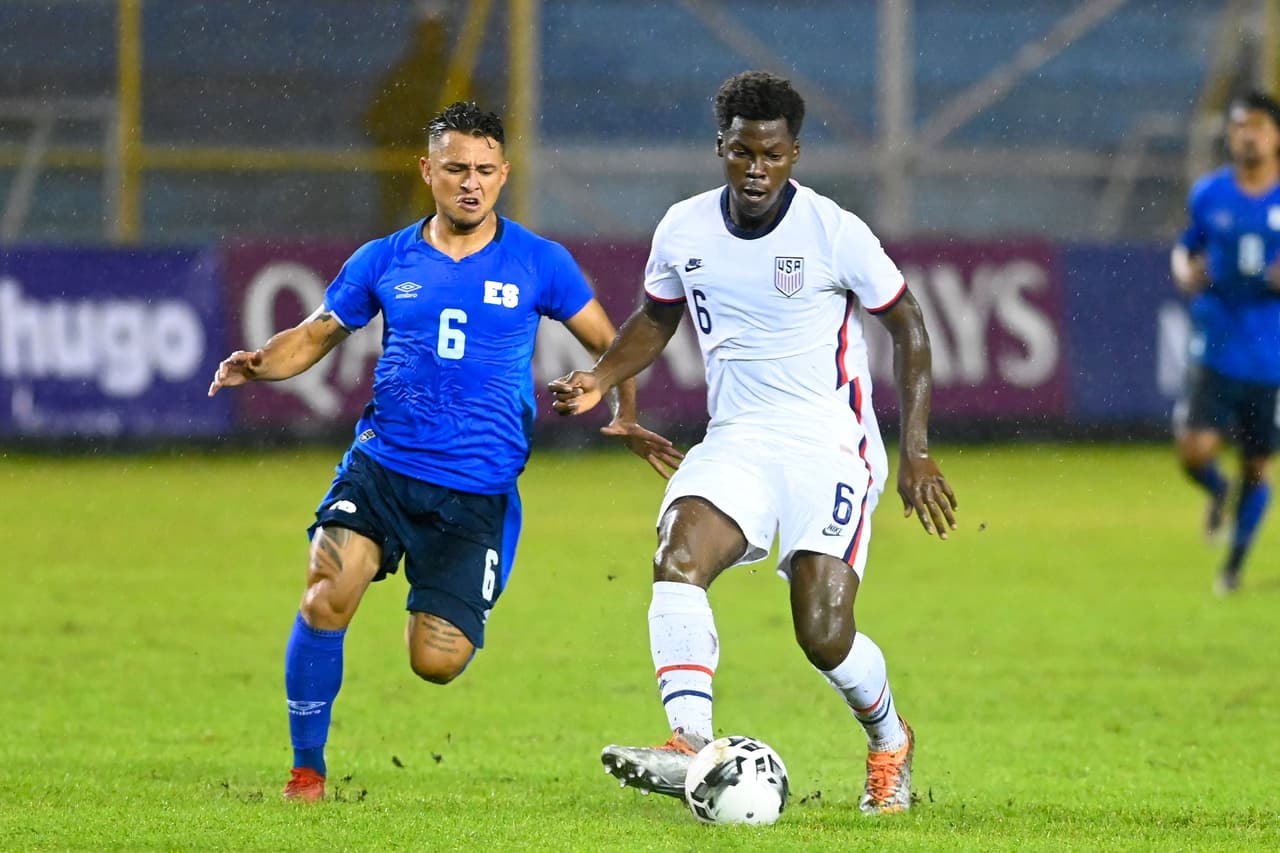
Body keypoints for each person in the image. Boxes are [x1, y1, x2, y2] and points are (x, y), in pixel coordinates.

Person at [208, 101, 681, 802]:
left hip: (476, 489)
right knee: (324, 595)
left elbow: (612, 346)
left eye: (486, 170)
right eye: (456, 168)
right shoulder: (384, 258)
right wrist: (260, 363)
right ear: (427, 171)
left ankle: (459, 579)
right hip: (382, 467)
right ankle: (306, 769)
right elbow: (313, 335)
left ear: (504, 175)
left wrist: (620, 406)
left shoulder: (538, 261)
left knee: (436, 660)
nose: (471, 182)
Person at [549, 71, 957, 815]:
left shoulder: (835, 232)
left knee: (824, 632)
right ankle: (687, 741)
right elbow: (654, 316)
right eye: (742, 152)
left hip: (830, 446)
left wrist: (916, 449)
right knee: (677, 553)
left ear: (794, 153)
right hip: (736, 439)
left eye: (771, 153)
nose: (756, 168)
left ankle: (890, 740)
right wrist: (600, 378)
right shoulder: (683, 229)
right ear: (721, 149)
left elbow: (911, 327)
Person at [1171, 90, 1280, 596]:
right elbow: (1185, 247)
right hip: (1217, 342)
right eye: (1239, 126)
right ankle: (1217, 491)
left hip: (1271, 355)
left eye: (1257, 125)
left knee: (1258, 464)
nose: (1248, 135)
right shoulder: (1210, 193)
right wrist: (1185, 271)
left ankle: (1232, 568)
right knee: (1194, 451)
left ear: (1275, 135)